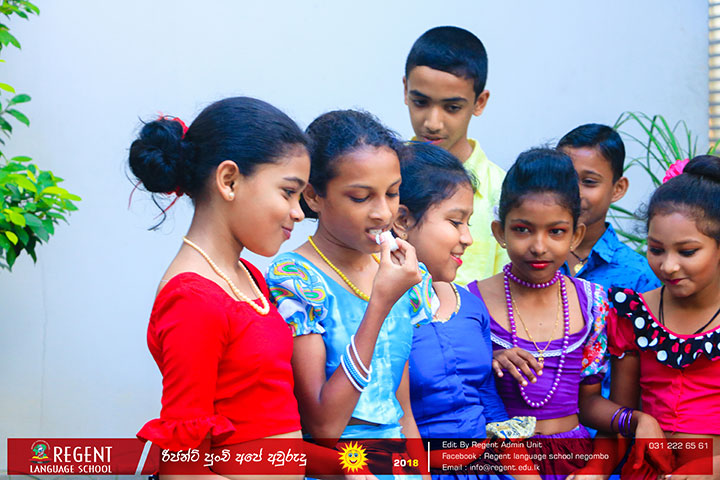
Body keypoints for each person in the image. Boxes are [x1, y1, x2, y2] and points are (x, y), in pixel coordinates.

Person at [130, 97, 313, 479]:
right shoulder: (192, 298)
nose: (299, 212)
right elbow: (182, 470)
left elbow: (264, 420)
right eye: (288, 192)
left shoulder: (247, 276)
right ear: (229, 180)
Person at [469, 148, 661, 479]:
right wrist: (489, 359)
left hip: (573, 463)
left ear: (576, 235)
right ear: (500, 232)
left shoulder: (592, 304)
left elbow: (588, 402)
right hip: (502, 465)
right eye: (522, 229)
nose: (539, 246)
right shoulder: (471, 303)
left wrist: (635, 421)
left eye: (556, 231)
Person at [266, 110, 433, 479]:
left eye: (392, 193)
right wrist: (380, 304)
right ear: (313, 196)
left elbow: (401, 410)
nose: (383, 213)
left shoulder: (403, 275)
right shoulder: (295, 279)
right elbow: (324, 425)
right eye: (360, 197)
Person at [395, 142, 538, 480]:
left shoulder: (469, 306)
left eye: (468, 223)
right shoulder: (377, 310)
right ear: (402, 220)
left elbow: (492, 410)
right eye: (456, 221)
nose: (468, 238)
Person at [601, 155, 720, 478]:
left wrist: (711, 469)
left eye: (687, 252)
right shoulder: (633, 313)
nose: (668, 266)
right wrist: (595, 469)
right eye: (656, 249)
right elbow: (620, 421)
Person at [556, 123, 661, 401]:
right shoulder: (536, 260)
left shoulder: (638, 275)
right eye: (565, 179)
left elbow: (649, 372)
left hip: (608, 419)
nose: (574, 192)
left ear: (618, 188)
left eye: (589, 182)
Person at [403, 26, 507, 285]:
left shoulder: (502, 192)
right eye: (421, 102)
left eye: (451, 107)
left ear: (480, 102)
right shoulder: (383, 178)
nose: (432, 123)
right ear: (405, 90)